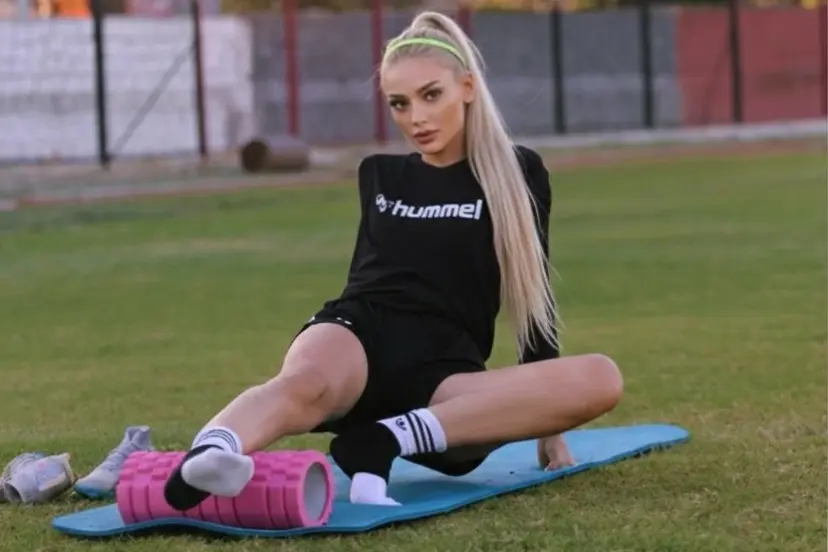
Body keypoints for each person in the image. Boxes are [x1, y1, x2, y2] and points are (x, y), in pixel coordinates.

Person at [163, 10, 623, 510]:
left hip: (444, 372)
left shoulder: (517, 173)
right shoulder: (380, 174)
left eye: (431, 95)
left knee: (602, 377)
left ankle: (381, 441)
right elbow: (366, 279)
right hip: (359, 335)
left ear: (467, 88)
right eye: (399, 103)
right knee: (301, 385)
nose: (416, 118)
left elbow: (535, 298)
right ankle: (209, 456)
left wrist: (549, 427)